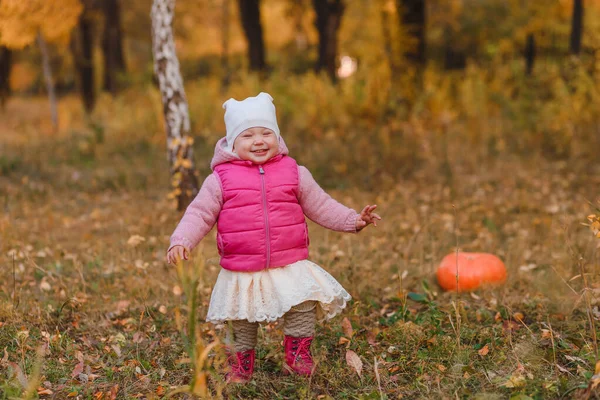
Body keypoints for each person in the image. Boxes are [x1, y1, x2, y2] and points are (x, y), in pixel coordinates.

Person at [166, 92, 381, 383]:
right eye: (248, 135)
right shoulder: (220, 179)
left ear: (277, 137)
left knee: (302, 304)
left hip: (289, 260)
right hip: (243, 265)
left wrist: (353, 220)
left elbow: (321, 205)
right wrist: (181, 240)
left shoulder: (294, 172)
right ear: (231, 143)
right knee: (241, 318)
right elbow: (199, 214)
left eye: (267, 132)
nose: (259, 140)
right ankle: (240, 365)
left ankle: (298, 356)